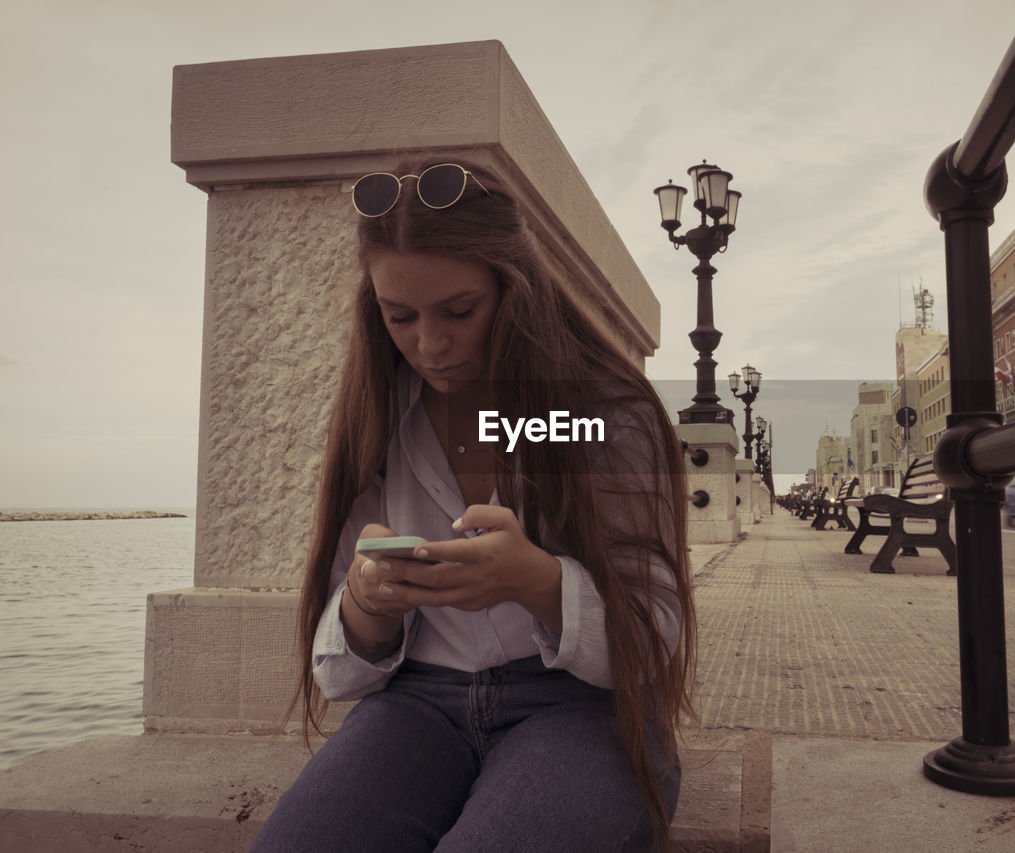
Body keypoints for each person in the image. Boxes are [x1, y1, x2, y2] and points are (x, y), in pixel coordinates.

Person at [250, 160, 696, 852]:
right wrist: (367, 604)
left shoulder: (605, 414)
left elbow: (657, 636)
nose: (430, 345)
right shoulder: (379, 417)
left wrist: (538, 583)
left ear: (514, 285)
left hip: (583, 708)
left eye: (459, 311)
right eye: (400, 316)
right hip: (417, 706)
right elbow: (337, 672)